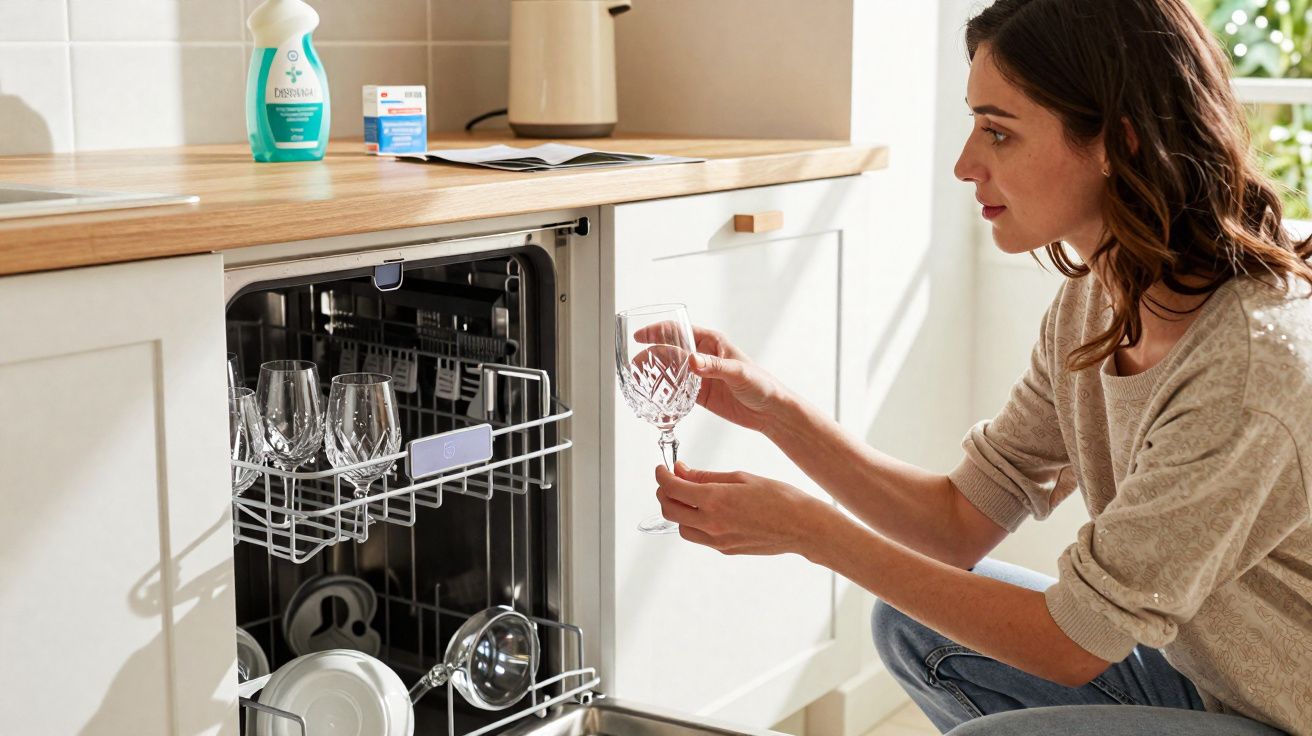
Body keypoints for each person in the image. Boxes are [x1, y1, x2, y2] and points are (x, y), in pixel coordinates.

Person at [652, 1, 1312, 734]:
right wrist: (775, 410)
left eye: (998, 131)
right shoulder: (1096, 299)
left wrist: (814, 533)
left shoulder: (1249, 369)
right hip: (1217, 686)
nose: (966, 164)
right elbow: (961, 521)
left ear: (1118, 142)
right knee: (914, 628)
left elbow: (1071, 645)